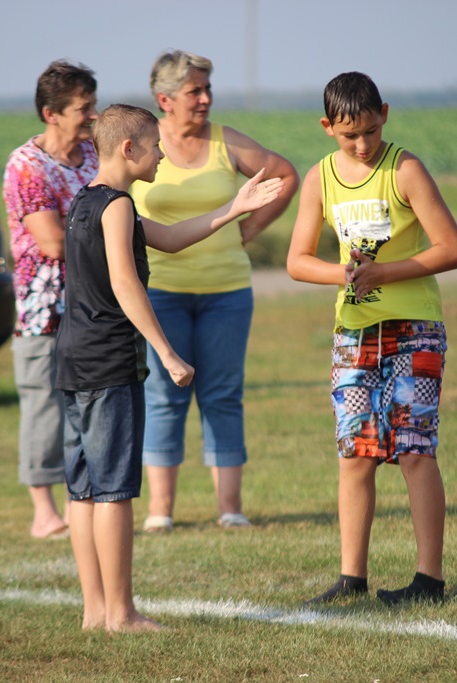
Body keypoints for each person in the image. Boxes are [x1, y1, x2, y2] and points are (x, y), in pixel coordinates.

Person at [56, 104, 285, 631]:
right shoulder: (115, 207)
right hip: (107, 364)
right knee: (113, 490)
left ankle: (95, 612)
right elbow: (125, 282)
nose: (163, 154)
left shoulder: (87, 203)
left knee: (84, 489)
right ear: (128, 149)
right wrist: (166, 351)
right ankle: (122, 613)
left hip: (73, 363)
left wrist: (234, 208)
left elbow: (173, 238)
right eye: (155, 146)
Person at [285, 72, 457, 606]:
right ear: (327, 128)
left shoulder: (404, 168)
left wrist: (385, 273)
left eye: (369, 130)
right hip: (353, 333)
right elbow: (297, 261)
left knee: (414, 451)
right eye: (349, 136)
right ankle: (351, 579)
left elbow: (453, 248)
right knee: (355, 453)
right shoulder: (319, 178)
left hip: (415, 331)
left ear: (384, 113)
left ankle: (429, 580)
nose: (362, 145)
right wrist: (343, 273)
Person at [129, 50, 299, 533]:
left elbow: (285, 175)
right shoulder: (143, 147)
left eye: (207, 89)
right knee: (164, 397)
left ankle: (231, 509)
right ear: (164, 99)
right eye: (193, 92)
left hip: (227, 292)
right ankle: (160, 512)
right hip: (160, 291)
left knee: (223, 394)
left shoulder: (228, 142)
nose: (205, 99)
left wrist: (248, 232)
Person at [3, 60, 99, 539]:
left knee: (86, 405)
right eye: (83, 109)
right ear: (51, 113)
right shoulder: (27, 166)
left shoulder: (95, 158)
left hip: (92, 305)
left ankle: (78, 498)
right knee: (44, 405)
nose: (92, 117)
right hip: (44, 309)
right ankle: (44, 510)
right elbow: (53, 243)